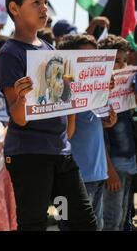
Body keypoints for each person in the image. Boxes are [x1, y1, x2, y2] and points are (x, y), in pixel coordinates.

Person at [0, 0, 96, 231]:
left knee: (79, 222)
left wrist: (95, 89)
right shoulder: (10, 54)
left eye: (46, 1)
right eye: (36, 2)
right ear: (14, 8)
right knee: (34, 224)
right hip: (29, 156)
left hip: (60, 153)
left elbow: (64, 98)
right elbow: (18, 118)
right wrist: (23, 97)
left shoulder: (49, 48)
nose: (44, 8)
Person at [57, 34, 117, 231]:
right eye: (86, 55)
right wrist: (73, 98)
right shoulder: (59, 89)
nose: (93, 59)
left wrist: (107, 120)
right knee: (69, 226)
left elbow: (94, 126)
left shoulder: (95, 90)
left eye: (95, 54)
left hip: (97, 173)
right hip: (71, 179)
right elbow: (67, 135)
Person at [99, 35, 137, 231]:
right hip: (112, 167)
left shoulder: (126, 94)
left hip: (129, 163)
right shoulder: (97, 98)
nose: (120, 65)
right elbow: (100, 139)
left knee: (123, 216)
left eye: (123, 60)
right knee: (111, 219)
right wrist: (109, 171)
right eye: (114, 61)